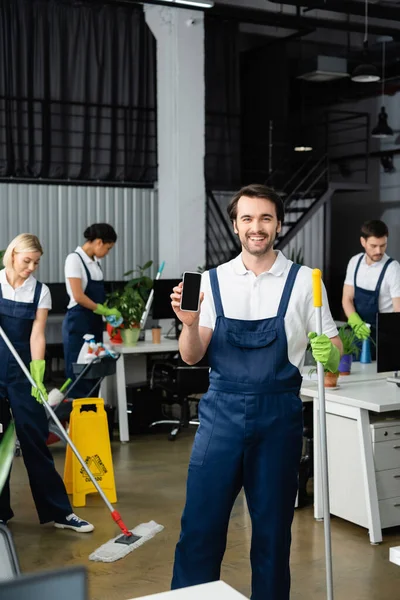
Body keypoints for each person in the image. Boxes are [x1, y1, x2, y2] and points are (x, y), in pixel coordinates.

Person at [170, 184, 342, 600]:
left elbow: (333, 351)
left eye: (265, 217)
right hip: (219, 420)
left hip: (278, 420)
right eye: (247, 218)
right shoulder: (212, 281)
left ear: (278, 224)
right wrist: (189, 324)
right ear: (235, 226)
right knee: (200, 528)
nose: (256, 227)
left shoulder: (306, 282)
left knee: (271, 534)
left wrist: (330, 354)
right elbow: (193, 357)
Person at [0, 234, 93, 532]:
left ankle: (59, 513)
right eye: (27, 261)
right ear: (13, 255)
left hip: (23, 373)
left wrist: (37, 371)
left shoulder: (39, 292)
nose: (31, 268)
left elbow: (37, 333)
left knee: (34, 440)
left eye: (36, 263)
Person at [62, 223, 121, 399]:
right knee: (79, 373)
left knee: (93, 371)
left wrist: (108, 311)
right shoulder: (74, 260)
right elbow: (78, 295)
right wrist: (103, 310)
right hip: (78, 324)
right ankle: (76, 421)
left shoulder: (95, 262)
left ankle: (91, 419)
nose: (107, 253)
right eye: (108, 248)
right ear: (99, 242)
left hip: (93, 324)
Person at [342, 219, 400, 356]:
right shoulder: (354, 262)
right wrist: (355, 322)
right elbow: (347, 299)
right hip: (358, 334)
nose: (378, 251)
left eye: (383, 245)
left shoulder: (393, 268)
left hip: (384, 337)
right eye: (373, 246)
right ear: (363, 242)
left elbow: (398, 309)